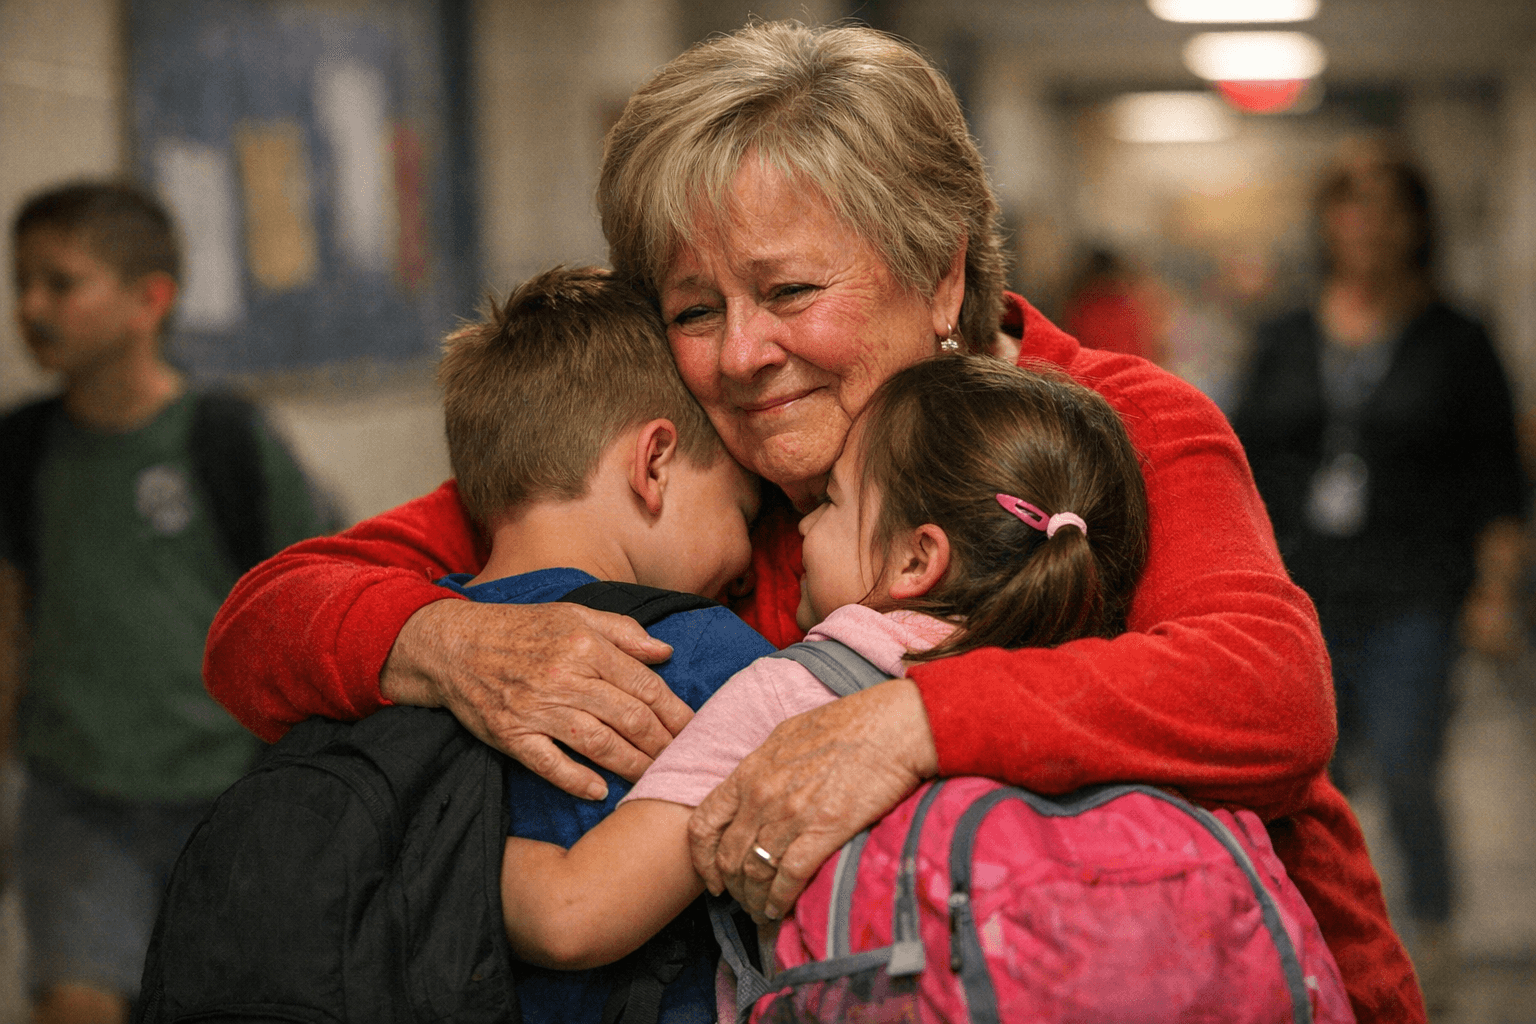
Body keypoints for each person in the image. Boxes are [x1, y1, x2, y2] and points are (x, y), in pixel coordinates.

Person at [202, 23, 1423, 1022]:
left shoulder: (1100, 422)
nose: (739, 356)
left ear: (942, 272)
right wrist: (450, 644)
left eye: (790, 291)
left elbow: (1269, 692)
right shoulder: (698, 453)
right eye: (694, 307)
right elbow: (263, 624)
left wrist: (908, 722)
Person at [500, 355, 1152, 994]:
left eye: (831, 500)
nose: (804, 524)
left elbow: (574, 915)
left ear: (915, 560)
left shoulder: (795, 695)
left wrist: (416, 848)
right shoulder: (1081, 700)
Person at [1, 181, 331, 1024]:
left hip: (226, 795)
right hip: (77, 802)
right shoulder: (22, 450)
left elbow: (313, 602)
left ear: (150, 299)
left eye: (60, 283)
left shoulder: (226, 440)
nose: (30, 307)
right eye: (21, 283)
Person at [1231, 142, 1527, 1009]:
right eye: (1351, 204)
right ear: (1327, 221)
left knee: (1404, 767)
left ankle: (1431, 934)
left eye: (1390, 206)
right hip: (1300, 591)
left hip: (1416, 593)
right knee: (1309, 778)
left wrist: (1493, 590)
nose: (1368, 224)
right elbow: (1236, 462)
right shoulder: (1285, 335)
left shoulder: (1459, 341)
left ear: (1418, 224)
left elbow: (1499, 481)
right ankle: (1310, 934)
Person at [436, 265, 774, 1022]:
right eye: (743, 512)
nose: (751, 560)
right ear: (654, 463)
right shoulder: (705, 656)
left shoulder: (417, 649)